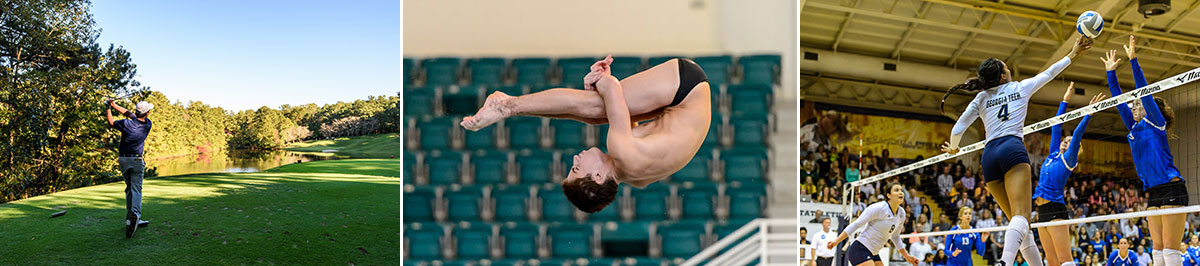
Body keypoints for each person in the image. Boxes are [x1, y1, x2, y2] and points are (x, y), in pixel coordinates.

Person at [462, 55, 711, 213]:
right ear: (599, 176)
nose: (574, 160)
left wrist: (606, 89)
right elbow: (613, 91)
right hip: (684, 86)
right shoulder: (622, 151)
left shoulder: (636, 178)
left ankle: (509, 107)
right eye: (577, 169)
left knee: (597, 114)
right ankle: (506, 106)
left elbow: (625, 117)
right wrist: (603, 81)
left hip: (686, 97)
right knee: (594, 106)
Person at [940, 36, 1092, 266]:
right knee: (1021, 216)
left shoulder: (981, 98)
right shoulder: (1020, 87)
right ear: (1003, 75)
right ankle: (1005, 262)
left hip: (989, 156)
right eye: (1006, 66)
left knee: (1019, 224)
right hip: (1012, 149)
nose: (1009, 68)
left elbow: (958, 128)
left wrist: (953, 149)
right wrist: (1072, 54)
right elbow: (1050, 73)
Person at [1103, 36, 1187, 266]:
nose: (1134, 105)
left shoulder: (1155, 122)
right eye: (1134, 104)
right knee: (1157, 251)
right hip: (1154, 191)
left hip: (1171, 186)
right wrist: (1111, 73)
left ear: (1150, 110)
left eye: (1137, 103)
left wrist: (1133, 61)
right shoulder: (1133, 126)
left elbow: (1143, 90)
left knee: (1170, 251)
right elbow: (1119, 101)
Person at [1034, 83, 1103, 266]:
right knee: (1051, 260)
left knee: (1065, 259)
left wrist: (1089, 113)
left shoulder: (1069, 160)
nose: (1065, 142)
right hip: (1041, 211)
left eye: (1069, 142)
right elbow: (1056, 126)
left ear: (1075, 149)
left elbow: (1078, 133)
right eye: (1065, 140)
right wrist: (1065, 100)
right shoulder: (1052, 155)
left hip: (1056, 209)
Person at [825, 183, 919, 266]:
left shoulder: (901, 214)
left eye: (901, 190)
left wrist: (907, 256)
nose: (900, 193)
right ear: (889, 195)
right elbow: (856, 224)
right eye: (896, 190)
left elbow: (895, 237)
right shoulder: (878, 208)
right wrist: (836, 242)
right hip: (860, 249)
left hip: (873, 253)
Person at [106, 99, 154, 238]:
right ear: (147, 113)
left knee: (129, 189)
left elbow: (112, 122)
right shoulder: (147, 124)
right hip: (136, 160)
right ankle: (136, 217)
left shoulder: (126, 123)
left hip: (123, 160)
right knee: (136, 189)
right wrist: (114, 105)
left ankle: (129, 219)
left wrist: (109, 107)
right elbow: (130, 114)